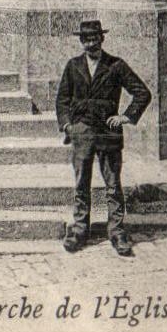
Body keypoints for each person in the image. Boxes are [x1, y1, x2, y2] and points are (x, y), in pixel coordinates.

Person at [55, 18, 152, 256]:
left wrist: (126, 117)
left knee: (112, 185)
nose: (90, 44)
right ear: (81, 41)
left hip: (108, 133)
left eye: (94, 38)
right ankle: (79, 230)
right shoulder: (73, 65)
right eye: (86, 39)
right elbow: (62, 100)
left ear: (102, 38)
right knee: (81, 183)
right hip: (83, 132)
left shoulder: (116, 65)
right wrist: (68, 126)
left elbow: (142, 93)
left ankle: (117, 232)